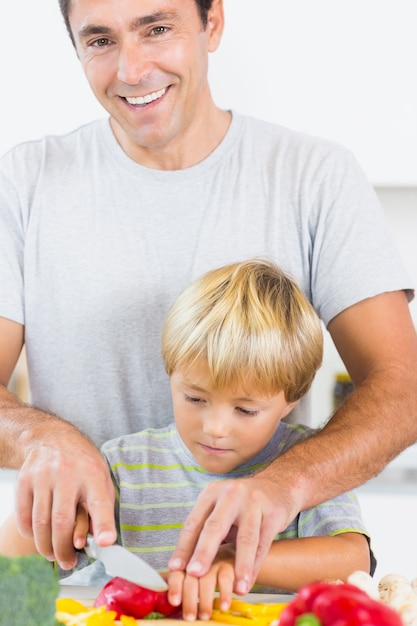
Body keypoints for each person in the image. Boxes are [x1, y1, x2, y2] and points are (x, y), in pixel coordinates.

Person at [0, 0, 416, 596]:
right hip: (89, 594)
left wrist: (283, 488)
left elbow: (403, 388)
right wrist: (43, 441)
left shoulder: (315, 174)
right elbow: (13, 578)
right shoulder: (23, 182)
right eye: (99, 40)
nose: (132, 68)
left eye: (157, 28)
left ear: (212, 22)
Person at [0, 260, 374, 620]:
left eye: (245, 410)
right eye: (195, 398)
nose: (215, 427)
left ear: (291, 398)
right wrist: (48, 516)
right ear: (170, 372)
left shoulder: (306, 464)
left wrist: (231, 560)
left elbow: (352, 560)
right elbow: (10, 570)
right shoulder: (122, 468)